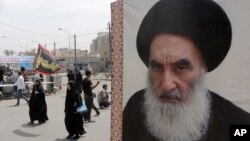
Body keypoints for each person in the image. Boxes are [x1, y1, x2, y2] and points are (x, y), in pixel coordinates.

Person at [122, 0, 250, 141]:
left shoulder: (239, 124)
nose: (166, 85)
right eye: (157, 67)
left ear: (203, 68)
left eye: (181, 68)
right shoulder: (135, 109)